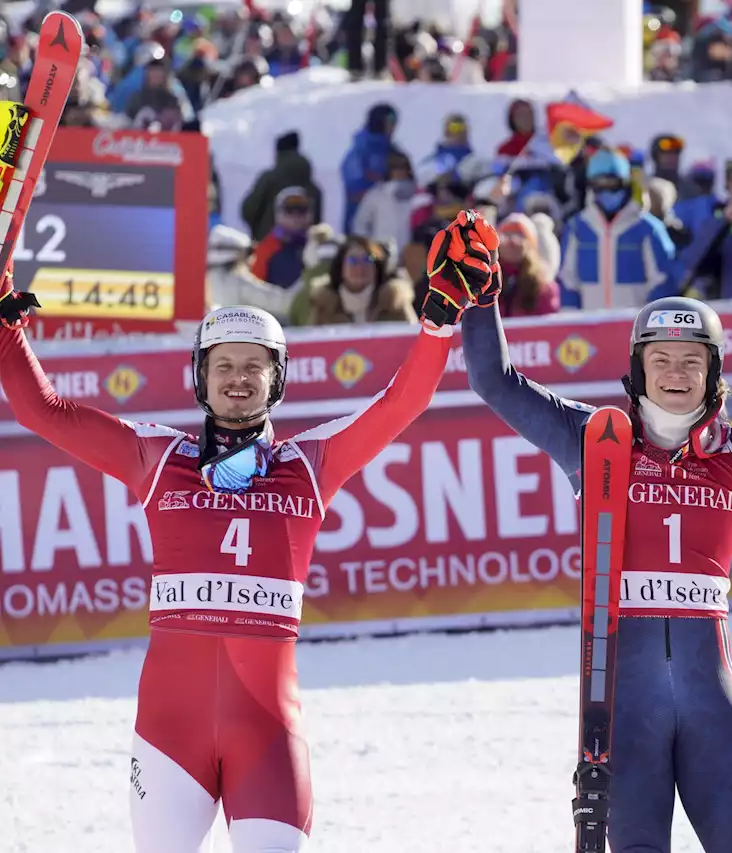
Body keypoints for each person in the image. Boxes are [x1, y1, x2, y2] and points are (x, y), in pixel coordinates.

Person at [0, 213, 495, 853]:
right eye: (224, 365)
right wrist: (6, 327)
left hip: (267, 738)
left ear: (277, 379)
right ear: (201, 377)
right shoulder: (156, 459)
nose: (238, 379)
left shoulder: (311, 464)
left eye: (254, 367)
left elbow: (401, 404)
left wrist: (436, 322)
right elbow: (43, 410)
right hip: (168, 737)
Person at [461, 248, 732, 852]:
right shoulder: (592, 440)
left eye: (691, 360)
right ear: (638, 368)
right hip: (625, 714)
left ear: (714, 371)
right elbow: (494, 382)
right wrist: (481, 295)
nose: (676, 373)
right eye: (661, 359)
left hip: (713, 707)